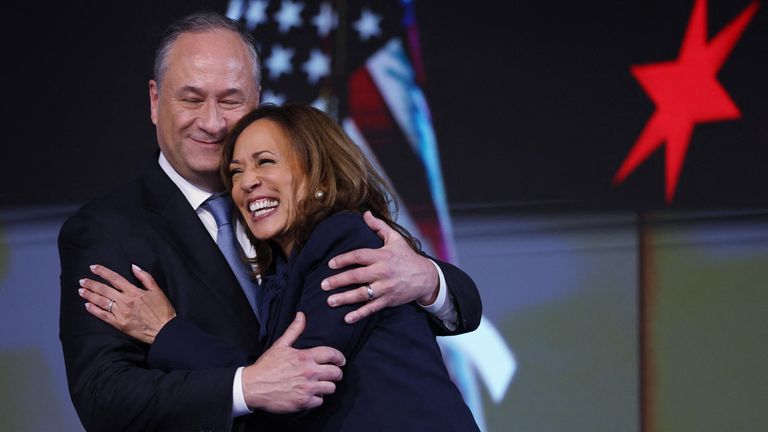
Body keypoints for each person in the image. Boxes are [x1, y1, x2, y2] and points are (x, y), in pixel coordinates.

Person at [59, 11, 481, 432]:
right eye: (190, 98)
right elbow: (104, 396)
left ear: (255, 101)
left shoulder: (312, 225)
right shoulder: (107, 230)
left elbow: (304, 371)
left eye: (230, 100)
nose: (211, 122)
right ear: (155, 101)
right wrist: (244, 387)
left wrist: (428, 280)